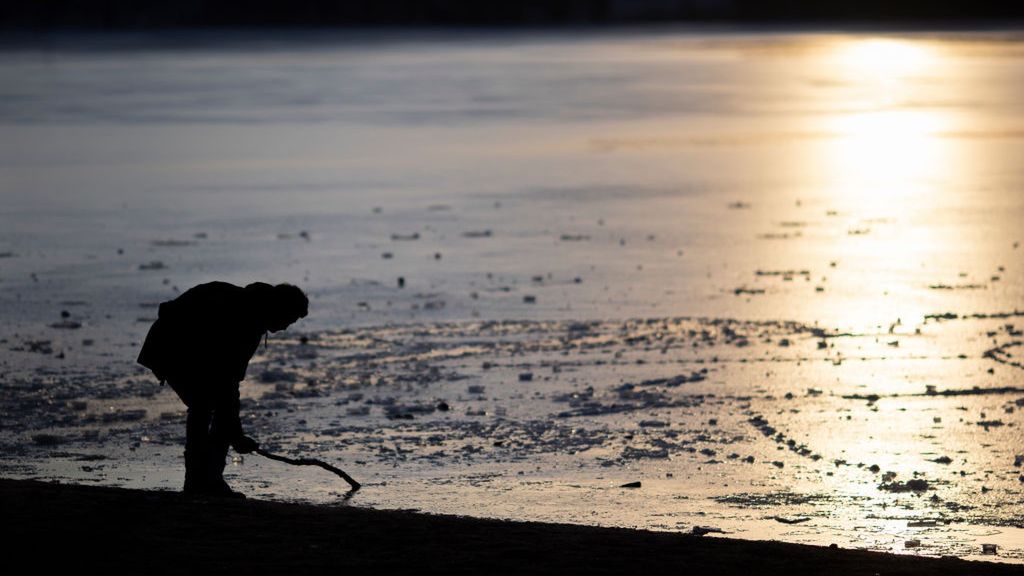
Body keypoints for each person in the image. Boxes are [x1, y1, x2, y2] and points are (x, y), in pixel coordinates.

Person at [137, 281, 309, 498]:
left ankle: (207, 479)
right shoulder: (243, 319)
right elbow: (227, 382)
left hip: (191, 349)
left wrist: (235, 433)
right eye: (288, 320)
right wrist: (237, 436)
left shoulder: (252, 315)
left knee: (212, 406)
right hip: (170, 346)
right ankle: (201, 481)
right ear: (279, 309)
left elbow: (227, 382)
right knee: (203, 405)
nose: (285, 328)